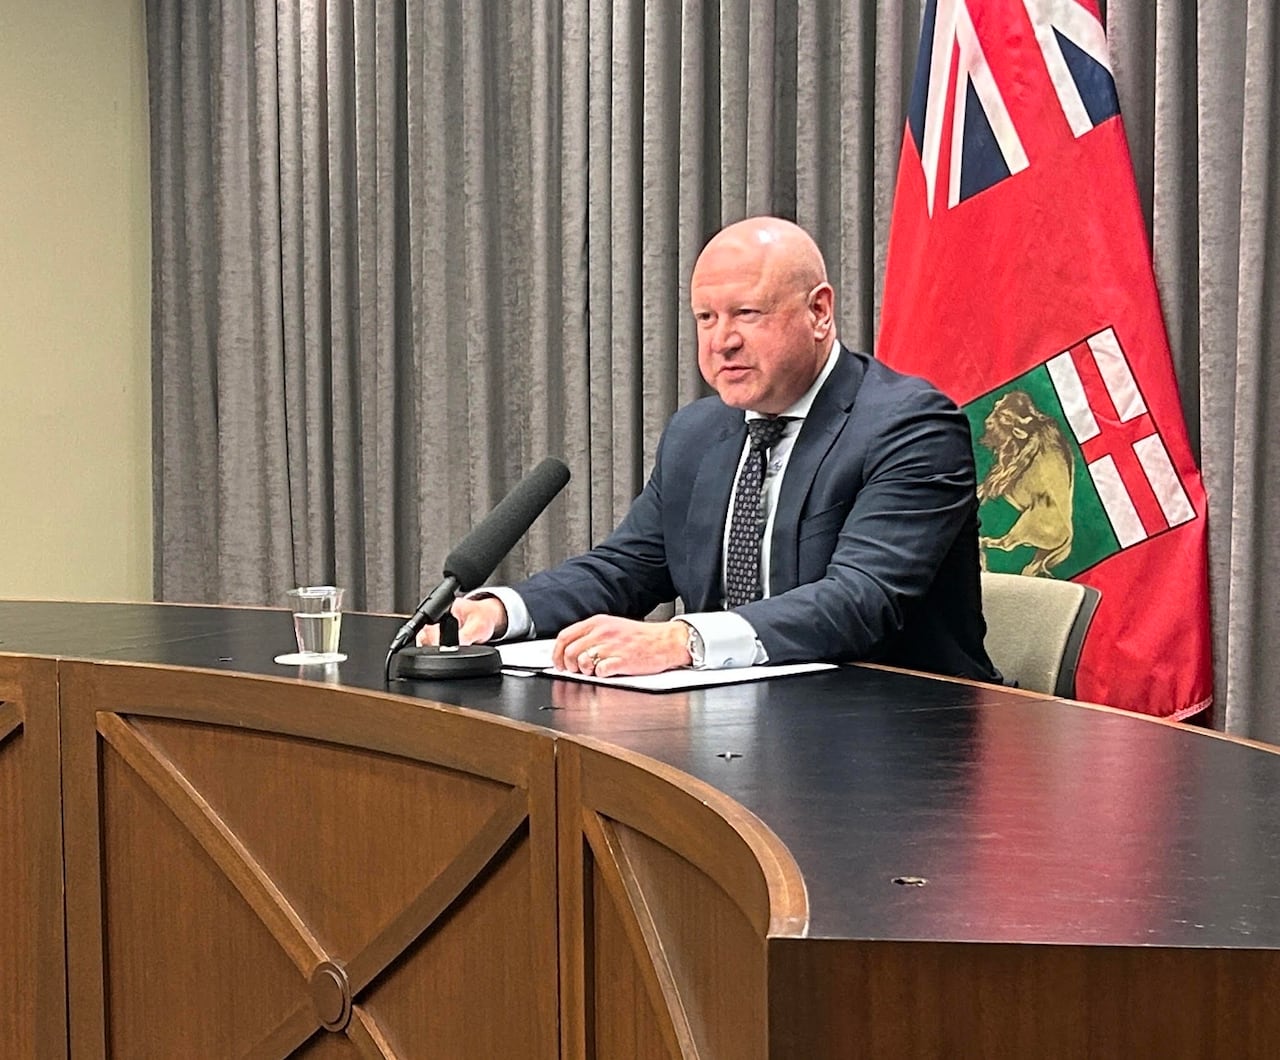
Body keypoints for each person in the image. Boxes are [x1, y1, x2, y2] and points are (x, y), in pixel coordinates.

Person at [423, 216, 1000, 683]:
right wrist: (500, 610)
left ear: (819, 312)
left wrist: (683, 638)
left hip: (897, 733)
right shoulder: (698, 433)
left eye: (747, 313)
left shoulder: (911, 427)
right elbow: (626, 569)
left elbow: (861, 600)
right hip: (735, 721)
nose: (722, 341)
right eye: (706, 317)